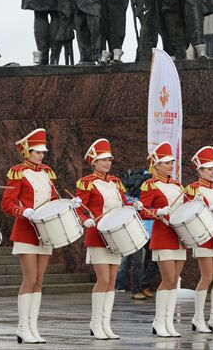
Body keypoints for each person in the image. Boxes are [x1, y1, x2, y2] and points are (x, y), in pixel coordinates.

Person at [1, 128, 80, 344]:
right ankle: (22, 327)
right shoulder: (17, 172)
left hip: (44, 233)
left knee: (39, 281)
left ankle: (33, 327)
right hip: (26, 231)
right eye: (37, 152)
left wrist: (68, 204)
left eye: (43, 152)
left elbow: (53, 199)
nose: (41, 155)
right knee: (30, 279)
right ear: (27, 151)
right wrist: (22, 211)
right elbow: (7, 202)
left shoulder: (47, 172)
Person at [76, 138, 144, 339]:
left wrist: (134, 205)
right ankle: (95, 322)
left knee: (112, 281)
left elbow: (123, 202)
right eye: (103, 160)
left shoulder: (115, 182)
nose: (107, 163)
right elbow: (79, 208)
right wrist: (84, 220)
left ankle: (106, 324)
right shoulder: (86, 183)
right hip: (97, 235)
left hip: (116, 236)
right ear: (94, 162)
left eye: (109, 160)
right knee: (103, 279)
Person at [139, 141, 185, 337]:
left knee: (174, 280)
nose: (170, 165)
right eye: (166, 162)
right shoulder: (149, 185)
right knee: (167, 278)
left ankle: (169, 322)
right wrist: (158, 211)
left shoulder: (177, 184)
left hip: (180, 237)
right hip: (162, 235)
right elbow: (142, 210)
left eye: (171, 162)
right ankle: (159, 321)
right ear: (156, 164)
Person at [184, 146, 213, 334]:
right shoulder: (192, 189)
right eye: (209, 169)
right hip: (203, 237)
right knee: (207, 277)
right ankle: (198, 317)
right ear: (199, 170)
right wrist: (201, 207)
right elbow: (187, 214)